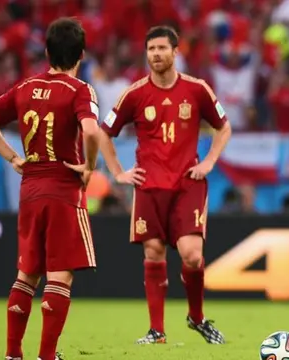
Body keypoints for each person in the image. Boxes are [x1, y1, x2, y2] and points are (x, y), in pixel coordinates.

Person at [0, 17, 100, 360]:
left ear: (46, 51)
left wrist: (13, 157)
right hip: (62, 187)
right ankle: (46, 356)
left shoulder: (26, 86)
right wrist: (89, 166)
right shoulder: (80, 90)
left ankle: (13, 354)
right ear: (81, 55)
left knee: (26, 274)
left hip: (29, 188)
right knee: (60, 277)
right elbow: (90, 131)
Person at [99, 25, 232, 345]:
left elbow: (223, 127)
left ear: (175, 52)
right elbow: (104, 132)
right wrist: (118, 172)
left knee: (192, 255)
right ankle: (157, 331)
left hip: (188, 183)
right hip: (149, 185)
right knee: (154, 250)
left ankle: (196, 317)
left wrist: (209, 162)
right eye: (151, 49)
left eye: (162, 48)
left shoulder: (197, 89)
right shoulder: (134, 93)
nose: (156, 54)